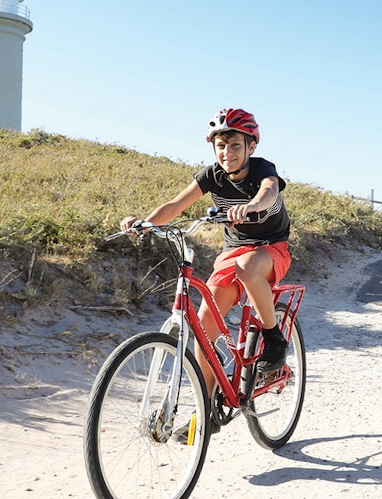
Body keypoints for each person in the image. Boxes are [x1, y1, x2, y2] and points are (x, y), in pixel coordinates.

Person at [121, 108, 291, 394]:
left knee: (247, 266)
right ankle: (206, 407)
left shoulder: (263, 170)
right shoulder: (212, 176)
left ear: (251, 145)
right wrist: (146, 223)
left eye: (236, 145)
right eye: (221, 146)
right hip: (233, 251)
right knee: (204, 326)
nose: (227, 152)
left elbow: (269, 191)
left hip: (271, 248)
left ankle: (274, 337)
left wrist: (251, 206)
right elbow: (176, 205)